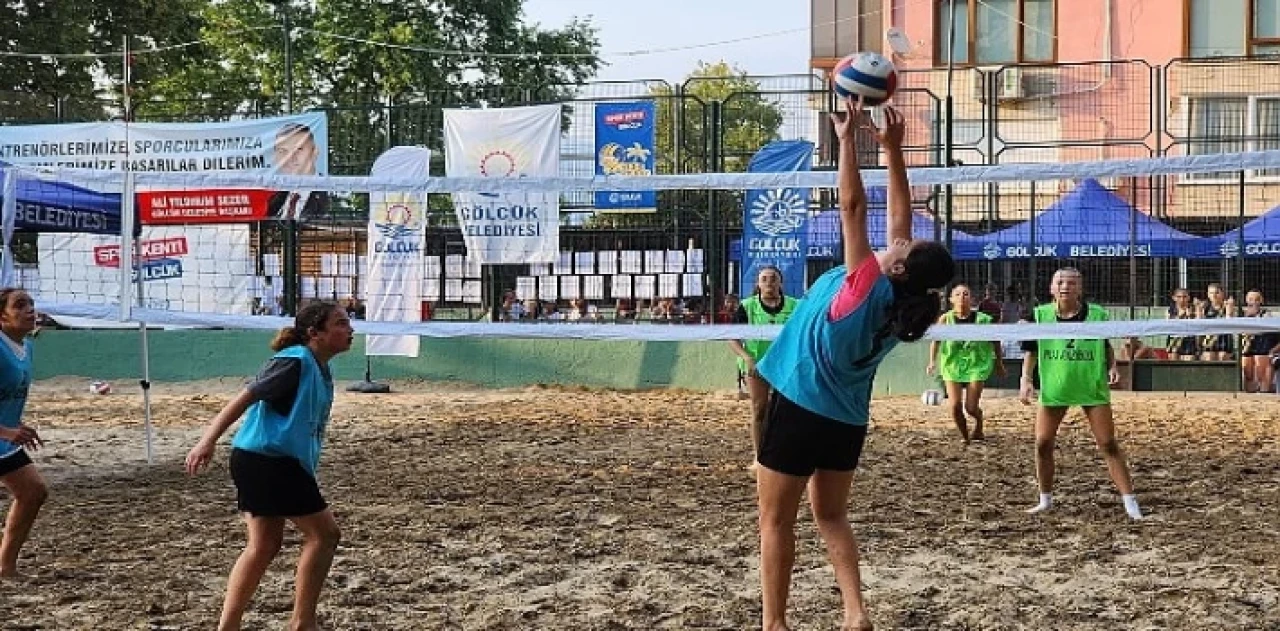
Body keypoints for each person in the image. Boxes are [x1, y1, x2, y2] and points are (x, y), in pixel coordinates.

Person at [754, 99, 955, 631]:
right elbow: (898, 216)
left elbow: (853, 209)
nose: (902, 237)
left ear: (901, 264)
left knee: (775, 521)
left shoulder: (865, 281)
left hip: (799, 405)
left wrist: (846, 140)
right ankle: (854, 613)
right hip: (845, 420)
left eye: (906, 245)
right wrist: (890, 149)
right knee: (832, 515)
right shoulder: (904, 302)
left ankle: (774, 623)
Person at [185, 302, 354, 630]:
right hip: (269, 461)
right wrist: (207, 441)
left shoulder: (318, 367)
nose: (350, 329)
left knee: (264, 545)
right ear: (314, 333)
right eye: (341, 323)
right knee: (325, 535)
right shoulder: (294, 361)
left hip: (261, 460)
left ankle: (228, 626)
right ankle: (303, 622)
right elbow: (243, 399)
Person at [1018, 268, 1142, 521]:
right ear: (1052, 288)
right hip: (1055, 387)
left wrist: (1112, 366)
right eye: (1060, 282)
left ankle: (1130, 503)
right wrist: (1026, 379)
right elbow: (1031, 350)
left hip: (1090, 386)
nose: (1066, 286)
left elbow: (1105, 345)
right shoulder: (1039, 315)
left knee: (1108, 443)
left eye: (1072, 283)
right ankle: (1045, 500)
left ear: (1080, 289)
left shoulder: (1097, 315)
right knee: (1042, 443)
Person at [728, 266, 799, 463]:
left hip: (785, 365)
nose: (769, 282)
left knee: (785, 410)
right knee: (760, 409)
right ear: (758, 284)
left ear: (781, 283)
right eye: (764, 279)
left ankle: (783, 453)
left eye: (773, 278)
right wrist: (747, 358)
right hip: (757, 366)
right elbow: (732, 338)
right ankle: (759, 458)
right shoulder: (747, 306)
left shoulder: (795, 306)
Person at [0, 289, 46, 577]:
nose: (29, 309)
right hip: (3, 436)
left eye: (31, 303)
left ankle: (5, 566)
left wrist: (14, 428)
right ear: (2, 316)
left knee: (33, 492)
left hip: (5, 440)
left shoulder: (26, 346)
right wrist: (6, 430)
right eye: (20, 305)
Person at [927, 283, 1005, 444]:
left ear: (972, 299)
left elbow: (995, 341)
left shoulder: (984, 320)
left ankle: (979, 422)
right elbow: (935, 341)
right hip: (952, 364)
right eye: (957, 294)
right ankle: (965, 437)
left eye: (966, 294)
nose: (962, 297)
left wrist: (999, 363)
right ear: (950, 300)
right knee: (955, 406)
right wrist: (932, 361)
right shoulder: (945, 319)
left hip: (977, 364)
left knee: (970, 407)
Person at [267, 123, 326, 221]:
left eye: (299, 149)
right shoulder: (273, 199)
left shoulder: (331, 196)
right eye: (283, 151)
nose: (290, 157)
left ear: (315, 152)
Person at [1239, 289, 1277, 393]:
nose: (1253, 302)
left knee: (1262, 373)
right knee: (1248, 374)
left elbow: (1265, 329)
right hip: (1247, 347)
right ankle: (1250, 395)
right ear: (1246, 300)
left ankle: (1265, 392)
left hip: (1262, 347)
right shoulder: (1241, 313)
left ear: (1261, 301)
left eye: (1257, 299)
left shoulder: (1266, 314)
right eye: (1251, 299)